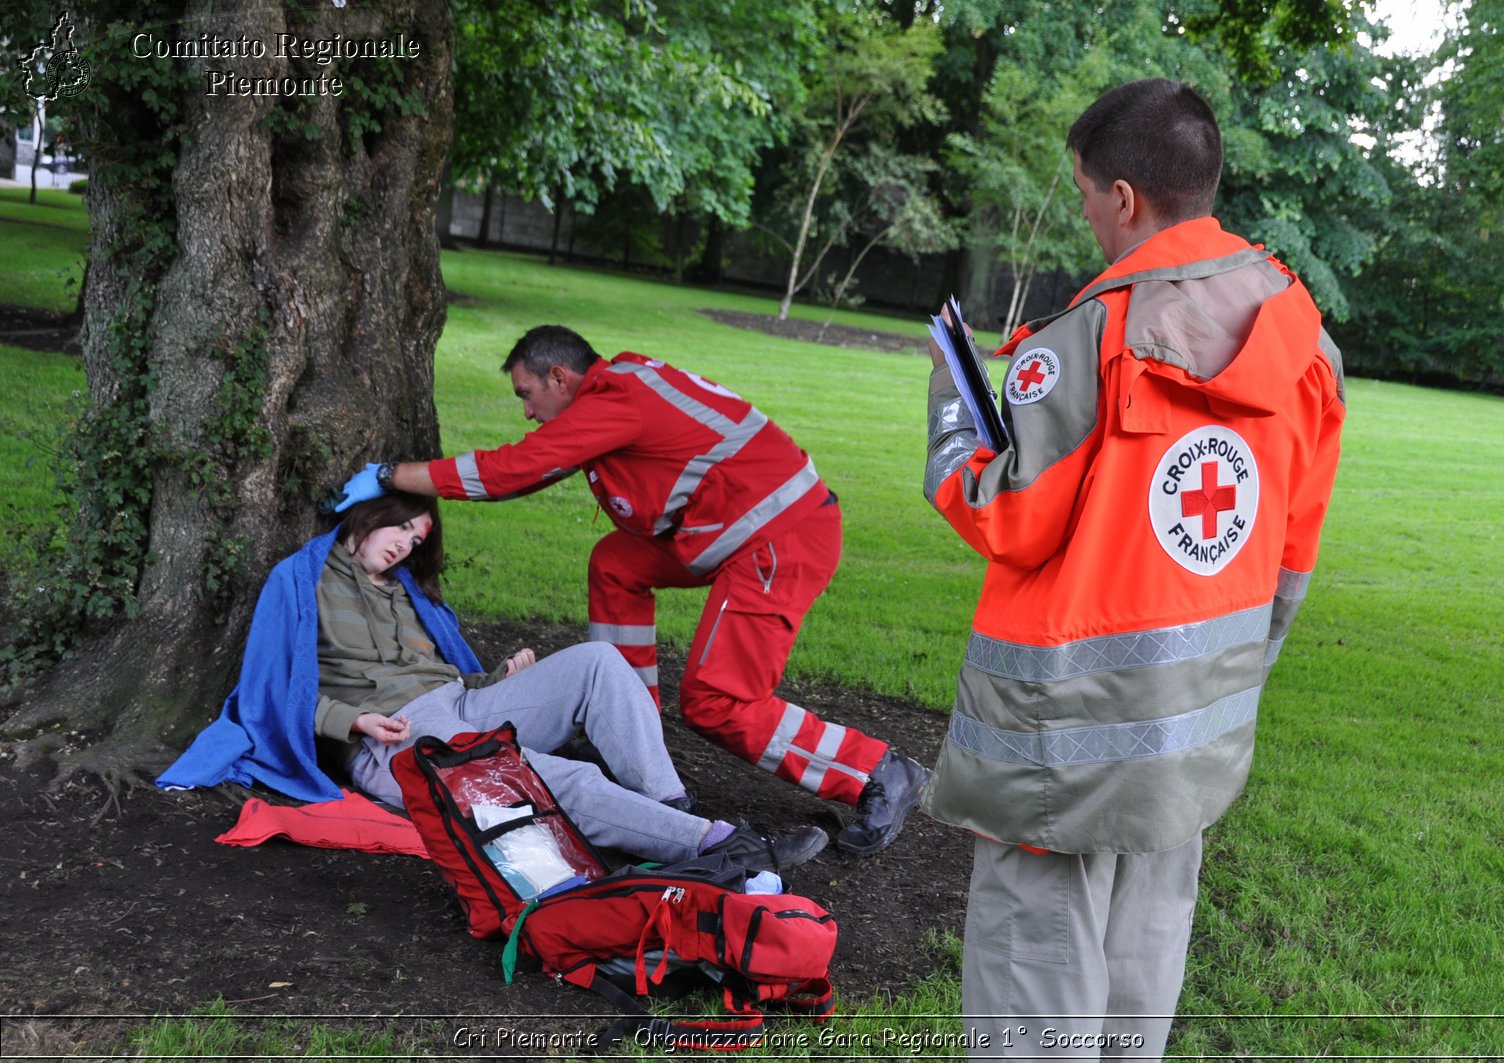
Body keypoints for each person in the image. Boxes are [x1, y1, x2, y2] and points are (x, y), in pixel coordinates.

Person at [921, 79, 1345, 1058]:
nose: (1082, 211)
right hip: (1187, 746)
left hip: (1053, 757)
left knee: (1034, 988)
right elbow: (1292, 554)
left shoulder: (1092, 336)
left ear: (1121, 196)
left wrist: (953, 403)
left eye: (1079, 189)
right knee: (1137, 980)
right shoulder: (1302, 342)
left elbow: (1003, 515)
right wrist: (1228, 683)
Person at [331, 327, 929, 856]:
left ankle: (878, 770)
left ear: (559, 378)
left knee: (719, 701)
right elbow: (529, 470)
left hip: (777, 538)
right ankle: (629, 727)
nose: (527, 413)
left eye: (526, 395)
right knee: (617, 563)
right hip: (735, 527)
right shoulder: (616, 390)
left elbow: (509, 470)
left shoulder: (614, 400)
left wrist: (389, 476)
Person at [158, 493, 829, 875]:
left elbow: (443, 672)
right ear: (366, 516)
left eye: (416, 538)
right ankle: (720, 847)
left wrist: (500, 677)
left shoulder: (407, 593)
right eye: (399, 526)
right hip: (398, 735)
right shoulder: (300, 582)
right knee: (558, 779)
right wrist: (349, 722)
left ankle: (670, 805)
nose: (404, 544)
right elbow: (269, 690)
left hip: (464, 701)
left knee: (599, 663)